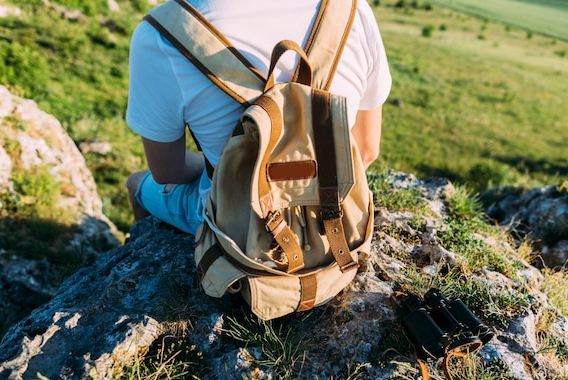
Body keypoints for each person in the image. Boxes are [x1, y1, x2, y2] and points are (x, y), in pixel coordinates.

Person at [126, 0, 392, 235]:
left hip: (236, 227)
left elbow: (167, 171)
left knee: (136, 182)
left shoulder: (161, 33)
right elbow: (366, 150)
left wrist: (227, 166)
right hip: (333, 220)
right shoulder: (350, 10)